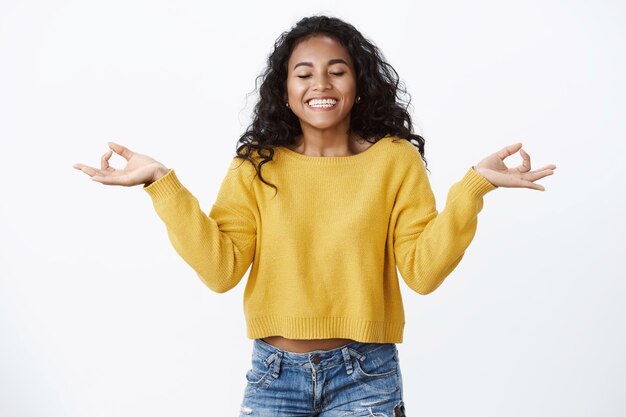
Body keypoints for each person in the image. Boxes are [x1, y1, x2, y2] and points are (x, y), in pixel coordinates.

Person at [73, 14, 556, 417]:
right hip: (274, 376)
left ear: (359, 84)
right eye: (304, 73)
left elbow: (423, 272)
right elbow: (221, 270)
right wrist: (162, 184)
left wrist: (475, 186)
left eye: (337, 71)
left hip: (366, 376)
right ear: (285, 90)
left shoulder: (394, 160)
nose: (320, 84)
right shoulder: (256, 163)